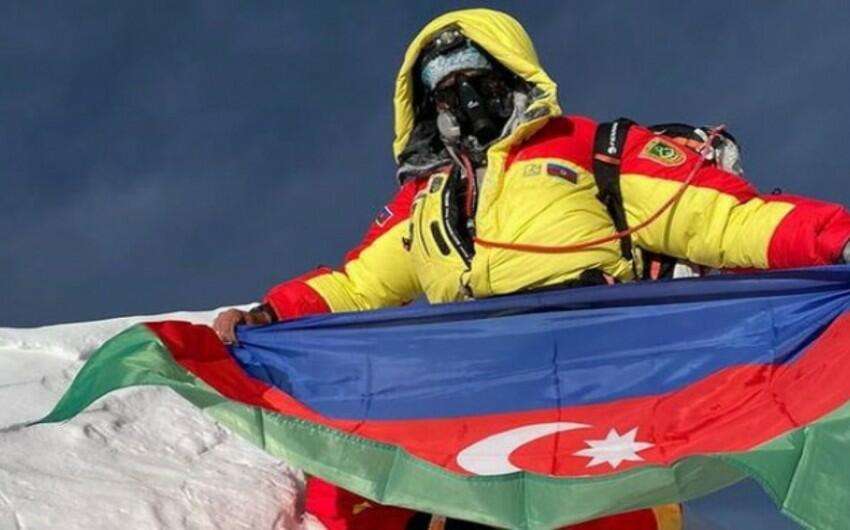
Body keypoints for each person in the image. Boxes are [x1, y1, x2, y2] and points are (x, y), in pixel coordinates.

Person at [214, 8, 850, 530]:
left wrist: (837, 239)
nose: (467, 101)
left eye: (480, 81)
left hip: (604, 389)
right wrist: (276, 315)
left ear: (513, 76)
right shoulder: (426, 202)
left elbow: (724, 219)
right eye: (447, 92)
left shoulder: (590, 148)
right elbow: (360, 284)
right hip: (482, 402)